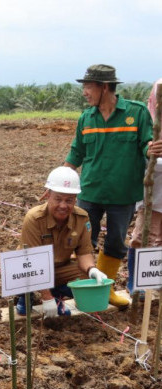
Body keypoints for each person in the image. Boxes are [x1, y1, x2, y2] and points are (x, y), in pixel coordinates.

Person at [64, 64, 162, 308]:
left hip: (123, 194)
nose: (85, 92)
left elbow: (145, 145)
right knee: (84, 239)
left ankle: (105, 290)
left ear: (104, 87)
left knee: (116, 243)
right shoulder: (87, 117)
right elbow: (77, 151)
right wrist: (61, 179)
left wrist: (151, 149)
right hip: (90, 192)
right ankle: (85, 288)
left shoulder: (136, 113)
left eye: (88, 86)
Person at [18, 167, 108, 317]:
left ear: (76, 199)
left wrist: (92, 270)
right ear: (48, 195)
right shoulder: (34, 218)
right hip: (31, 269)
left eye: (69, 200)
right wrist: (46, 299)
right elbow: (32, 261)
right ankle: (25, 296)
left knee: (86, 277)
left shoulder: (82, 218)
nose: (63, 205)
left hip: (59, 268)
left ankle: (57, 294)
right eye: (58, 199)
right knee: (19, 272)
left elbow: (84, 253)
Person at [128, 77, 162, 295]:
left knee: (159, 240)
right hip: (152, 193)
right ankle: (136, 283)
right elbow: (143, 158)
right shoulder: (148, 124)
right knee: (142, 237)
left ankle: (154, 282)